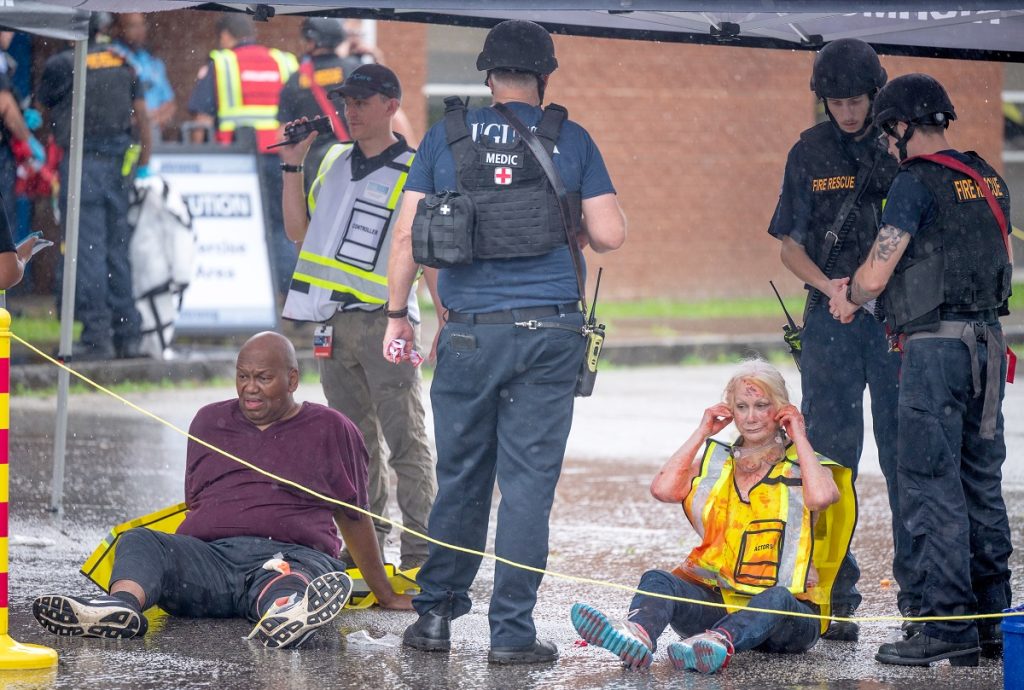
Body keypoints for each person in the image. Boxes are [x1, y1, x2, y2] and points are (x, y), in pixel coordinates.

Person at [384, 20, 626, 665]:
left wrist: (397, 317)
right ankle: (512, 633)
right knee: (526, 489)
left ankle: (435, 618)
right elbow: (610, 235)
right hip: (550, 333)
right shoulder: (569, 138)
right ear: (544, 77)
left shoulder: (446, 136)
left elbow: (407, 239)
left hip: (469, 336)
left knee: (462, 478)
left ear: (487, 77)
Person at [32, 331, 413, 649]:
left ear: (292, 380)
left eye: (263, 378)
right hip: (211, 561)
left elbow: (354, 515)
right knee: (139, 541)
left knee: (297, 574)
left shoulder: (332, 427)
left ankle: (286, 613)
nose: (250, 389)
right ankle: (121, 608)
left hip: (291, 555)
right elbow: (197, 501)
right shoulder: (208, 421)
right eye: (243, 376)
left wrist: (385, 593)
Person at [831, 73, 1013, 667]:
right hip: (988, 343)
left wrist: (851, 294)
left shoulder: (915, 181)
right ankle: (991, 623)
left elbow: (879, 274)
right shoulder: (986, 177)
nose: (888, 143)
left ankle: (945, 625)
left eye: (890, 132)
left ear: (899, 126)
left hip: (935, 352)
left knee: (931, 484)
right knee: (980, 483)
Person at [571, 360, 854, 674]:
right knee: (658, 580)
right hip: (720, 605)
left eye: (762, 405)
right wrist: (702, 431)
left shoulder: (806, 464)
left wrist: (799, 435)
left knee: (776, 597)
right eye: (741, 406)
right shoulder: (717, 459)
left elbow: (821, 497)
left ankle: (717, 643)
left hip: (788, 619)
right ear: (730, 409)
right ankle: (637, 635)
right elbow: (663, 489)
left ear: (781, 409)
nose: (750, 417)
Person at [767, 38, 908, 642]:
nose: (847, 112)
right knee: (829, 460)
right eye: (836, 101)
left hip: (896, 318)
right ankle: (832, 594)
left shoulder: (900, 152)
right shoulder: (808, 150)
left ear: (876, 94)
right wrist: (831, 288)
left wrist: (867, 293)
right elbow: (787, 244)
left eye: (855, 100)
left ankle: (920, 597)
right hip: (829, 319)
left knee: (908, 459)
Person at [279, 64, 436, 572]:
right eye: (347, 102)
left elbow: (427, 252)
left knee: (406, 443)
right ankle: (364, 553)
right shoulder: (332, 162)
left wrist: (444, 318)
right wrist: (292, 165)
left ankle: (421, 556)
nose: (352, 111)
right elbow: (298, 234)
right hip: (332, 325)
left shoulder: (418, 170)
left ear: (392, 106)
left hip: (386, 323)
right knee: (354, 447)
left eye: (363, 102)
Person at [37, 12, 151, 360]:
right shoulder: (123, 62)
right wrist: (143, 159)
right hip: (118, 167)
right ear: (102, 29)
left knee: (86, 253)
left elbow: (44, 107)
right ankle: (127, 336)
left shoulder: (63, 64)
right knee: (117, 250)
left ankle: (96, 337)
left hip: (83, 164)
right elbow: (142, 115)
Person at [187, 13, 298, 297]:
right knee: (281, 227)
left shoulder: (223, 63)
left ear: (225, 36)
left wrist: (196, 165)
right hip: (282, 157)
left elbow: (202, 120)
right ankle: (289, 300)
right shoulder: (284, 61)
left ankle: (244, 297)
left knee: (236, 229)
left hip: (236, 162)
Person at [276, 17, 362, 194]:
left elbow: (282, 135)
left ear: (312, 41)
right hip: (354, 160)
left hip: (314, 165)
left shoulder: (296, 80)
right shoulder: (354, 71)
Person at [113, 13, 176, 138]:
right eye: (133, 26)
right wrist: (137, 119)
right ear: (120, 29)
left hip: (153, 133)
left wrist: (154, 119)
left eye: (142, 25)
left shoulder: (153, 62)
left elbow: (170, 104)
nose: (139, 30)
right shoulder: (112, 57)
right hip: (123, 134)